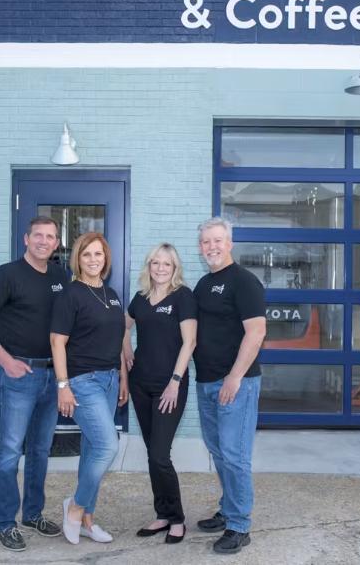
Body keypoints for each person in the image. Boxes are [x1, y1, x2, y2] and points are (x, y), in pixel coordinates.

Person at [0, 216, 67, 552]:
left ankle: (33, 513)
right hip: (19, 377)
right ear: (26, 239)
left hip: (52, 376)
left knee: (40, 450)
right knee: (10, 450)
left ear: (56, 243)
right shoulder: (6, 274)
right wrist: (7, 361)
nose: (43, 241)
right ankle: (6, 523)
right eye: (38, 235)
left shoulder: (60, 276)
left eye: (50, 237)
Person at [192, 217, 266, 555]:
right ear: (200, 247)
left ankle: (239, 525)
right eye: (206, 242)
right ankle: (228, 508)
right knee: (219, 450)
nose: (212, 247)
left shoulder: (244, 282)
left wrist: (234, 377)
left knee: (235, 455)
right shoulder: (203, 285)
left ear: (230, 243)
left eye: (217, 240)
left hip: (237, 383)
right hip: (206, 381)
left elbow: (256, 332)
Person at [51, 232, 129, 545]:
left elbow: (119, 340)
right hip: (83, 381)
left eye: (98, 254)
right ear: (78, 259)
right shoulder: (71, 294)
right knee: (108, 446)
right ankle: (75, 507)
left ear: (106, 258)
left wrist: (123, 377)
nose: (93, 260)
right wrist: (63, 386)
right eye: (87, 255)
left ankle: (88, 521)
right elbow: (58, 341)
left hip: (110, 379)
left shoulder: (111, 294)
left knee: (92, 449)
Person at [122, 243, 197, 544]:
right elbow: (122, 327)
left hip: (170, 386)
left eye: (167, 264)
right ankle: (162, 515)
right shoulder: (140, 298)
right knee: (153, 455)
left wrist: (175, 381)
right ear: (149, 266)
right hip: (141, 385)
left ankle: (177, 519)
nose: (161, 268)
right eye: (156, 263)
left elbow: (189, 343)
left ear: (175, 268)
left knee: (159, 454)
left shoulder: (183, 297)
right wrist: (127, 352)